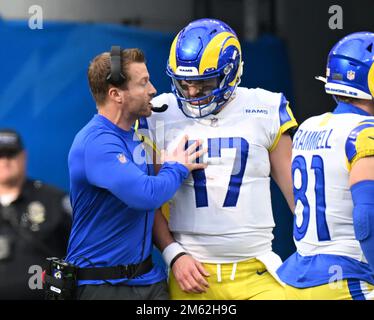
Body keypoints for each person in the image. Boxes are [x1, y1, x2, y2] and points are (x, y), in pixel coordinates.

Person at [146, 18, 298, 300]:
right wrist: (172, 254)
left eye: (203, 84)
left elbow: (298, 198)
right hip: (192, 273)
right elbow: (146, 199)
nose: (192, 93)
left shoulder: (264, 108)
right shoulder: (159, 113)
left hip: (258, 270)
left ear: (231, 71)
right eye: (184, 83)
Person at [65, 47, 206, 300]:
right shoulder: (96, 142)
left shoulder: (134, 136)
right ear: (116, 94)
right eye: (143, 83)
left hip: (147, 278)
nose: (152, 89)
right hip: (103, 285)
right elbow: (146, 195)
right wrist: (177, 166)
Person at [277, 32, 374, 300]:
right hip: (348, 278)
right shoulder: (365, 132)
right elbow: (366, 217)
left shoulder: (309, 126)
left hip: (296, 279)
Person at [0, 129, 71, 299]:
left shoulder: (53, 200)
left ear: (23, 156)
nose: (4, 161)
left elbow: (81, 253)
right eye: (0, 155)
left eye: (11, 154)